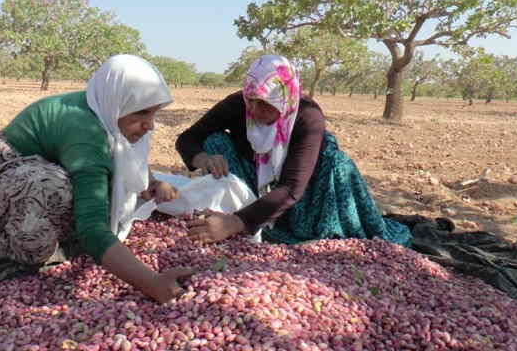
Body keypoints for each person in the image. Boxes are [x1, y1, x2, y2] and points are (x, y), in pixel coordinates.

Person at [0, 54, 193, 304]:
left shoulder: (107, 112)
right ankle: (4, 236)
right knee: (54, 188)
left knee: (85, 191)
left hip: (34, 168)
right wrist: (152, 282)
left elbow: (126, 157)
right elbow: (92, 228)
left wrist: (151, 183)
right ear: (117, 102)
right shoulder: (85, 133)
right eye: (142, 113)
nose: (150, 125)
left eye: (154, 114)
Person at [176, 55, 412, 247]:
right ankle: (248, 211)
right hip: (253, 178)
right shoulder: (238, 104)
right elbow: (187, 139)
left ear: (285, 100)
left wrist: (233, 224)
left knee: (336, 161)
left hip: (306, 190)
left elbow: (292, 187)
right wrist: (204, 159)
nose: (255, 110)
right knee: (216, 141)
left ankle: (263, 220)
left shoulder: (308, 116)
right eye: (251, 100)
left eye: (266, 103)